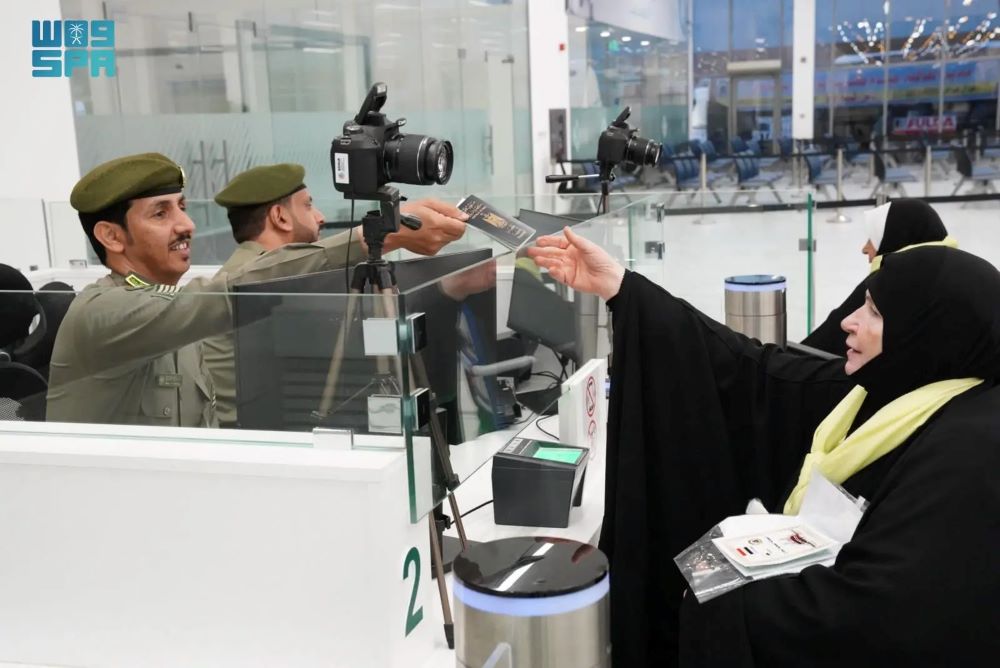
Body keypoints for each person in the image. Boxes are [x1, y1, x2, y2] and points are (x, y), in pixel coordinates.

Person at [527, 228, 1000, 666]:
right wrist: (623, 288)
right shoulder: (886, 392)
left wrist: (724, 607)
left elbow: (882, 614)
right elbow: (754, 372)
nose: (849, 322)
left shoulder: (968, 453)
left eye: (875, 312)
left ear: (928, 331)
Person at [45, 153, 459, 427]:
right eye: (160, 213)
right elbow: (232, 293)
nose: (186, 225)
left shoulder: (168, 303)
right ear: (111, 236)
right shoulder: (104, 312)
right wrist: (377, 237)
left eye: (182, 208)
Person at [204, 163, 469, 426]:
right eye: (308, 206)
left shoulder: (249, 276)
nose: (320, 217)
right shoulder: (253, 284)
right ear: (280, 217)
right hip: (253, 433)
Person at [802, 198, 955, 355]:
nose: (865, 248)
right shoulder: (949, 280)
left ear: (895, 240)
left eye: (874, 239)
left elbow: (824, 342)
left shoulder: (887, 287)